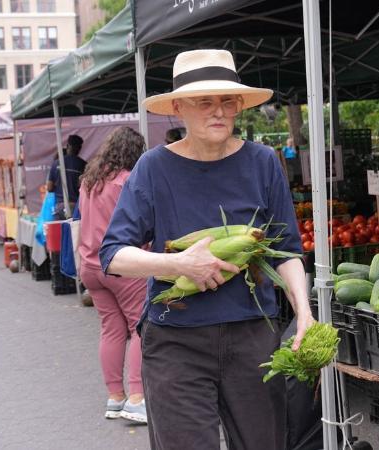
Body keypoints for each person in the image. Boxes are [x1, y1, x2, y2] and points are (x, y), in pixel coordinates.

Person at [99, 49, 312, 450]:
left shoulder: (263, 162)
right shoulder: (153, 168)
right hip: (176, 342)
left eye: (226, 101)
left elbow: (286, 251)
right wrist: (179, 262)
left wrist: (303, 312)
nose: (218, 111)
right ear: (178, 107)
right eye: (203, 101)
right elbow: (113, 254)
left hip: (252, 336)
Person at [78, 127, 148, 424]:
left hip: (90, 265)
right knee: (140, 328)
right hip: (121, 264)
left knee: (111, 329)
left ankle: (115, 397)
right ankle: (137, 398)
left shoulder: (89, 182)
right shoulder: (127, 181)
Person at [46, 134, 86, 219]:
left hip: (59, 206)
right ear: (79, 148)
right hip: (76, 206)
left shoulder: (57, 163)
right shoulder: (83, 165)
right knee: (74, 231)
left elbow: (49, 188)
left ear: (67, 146)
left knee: (60, 231)